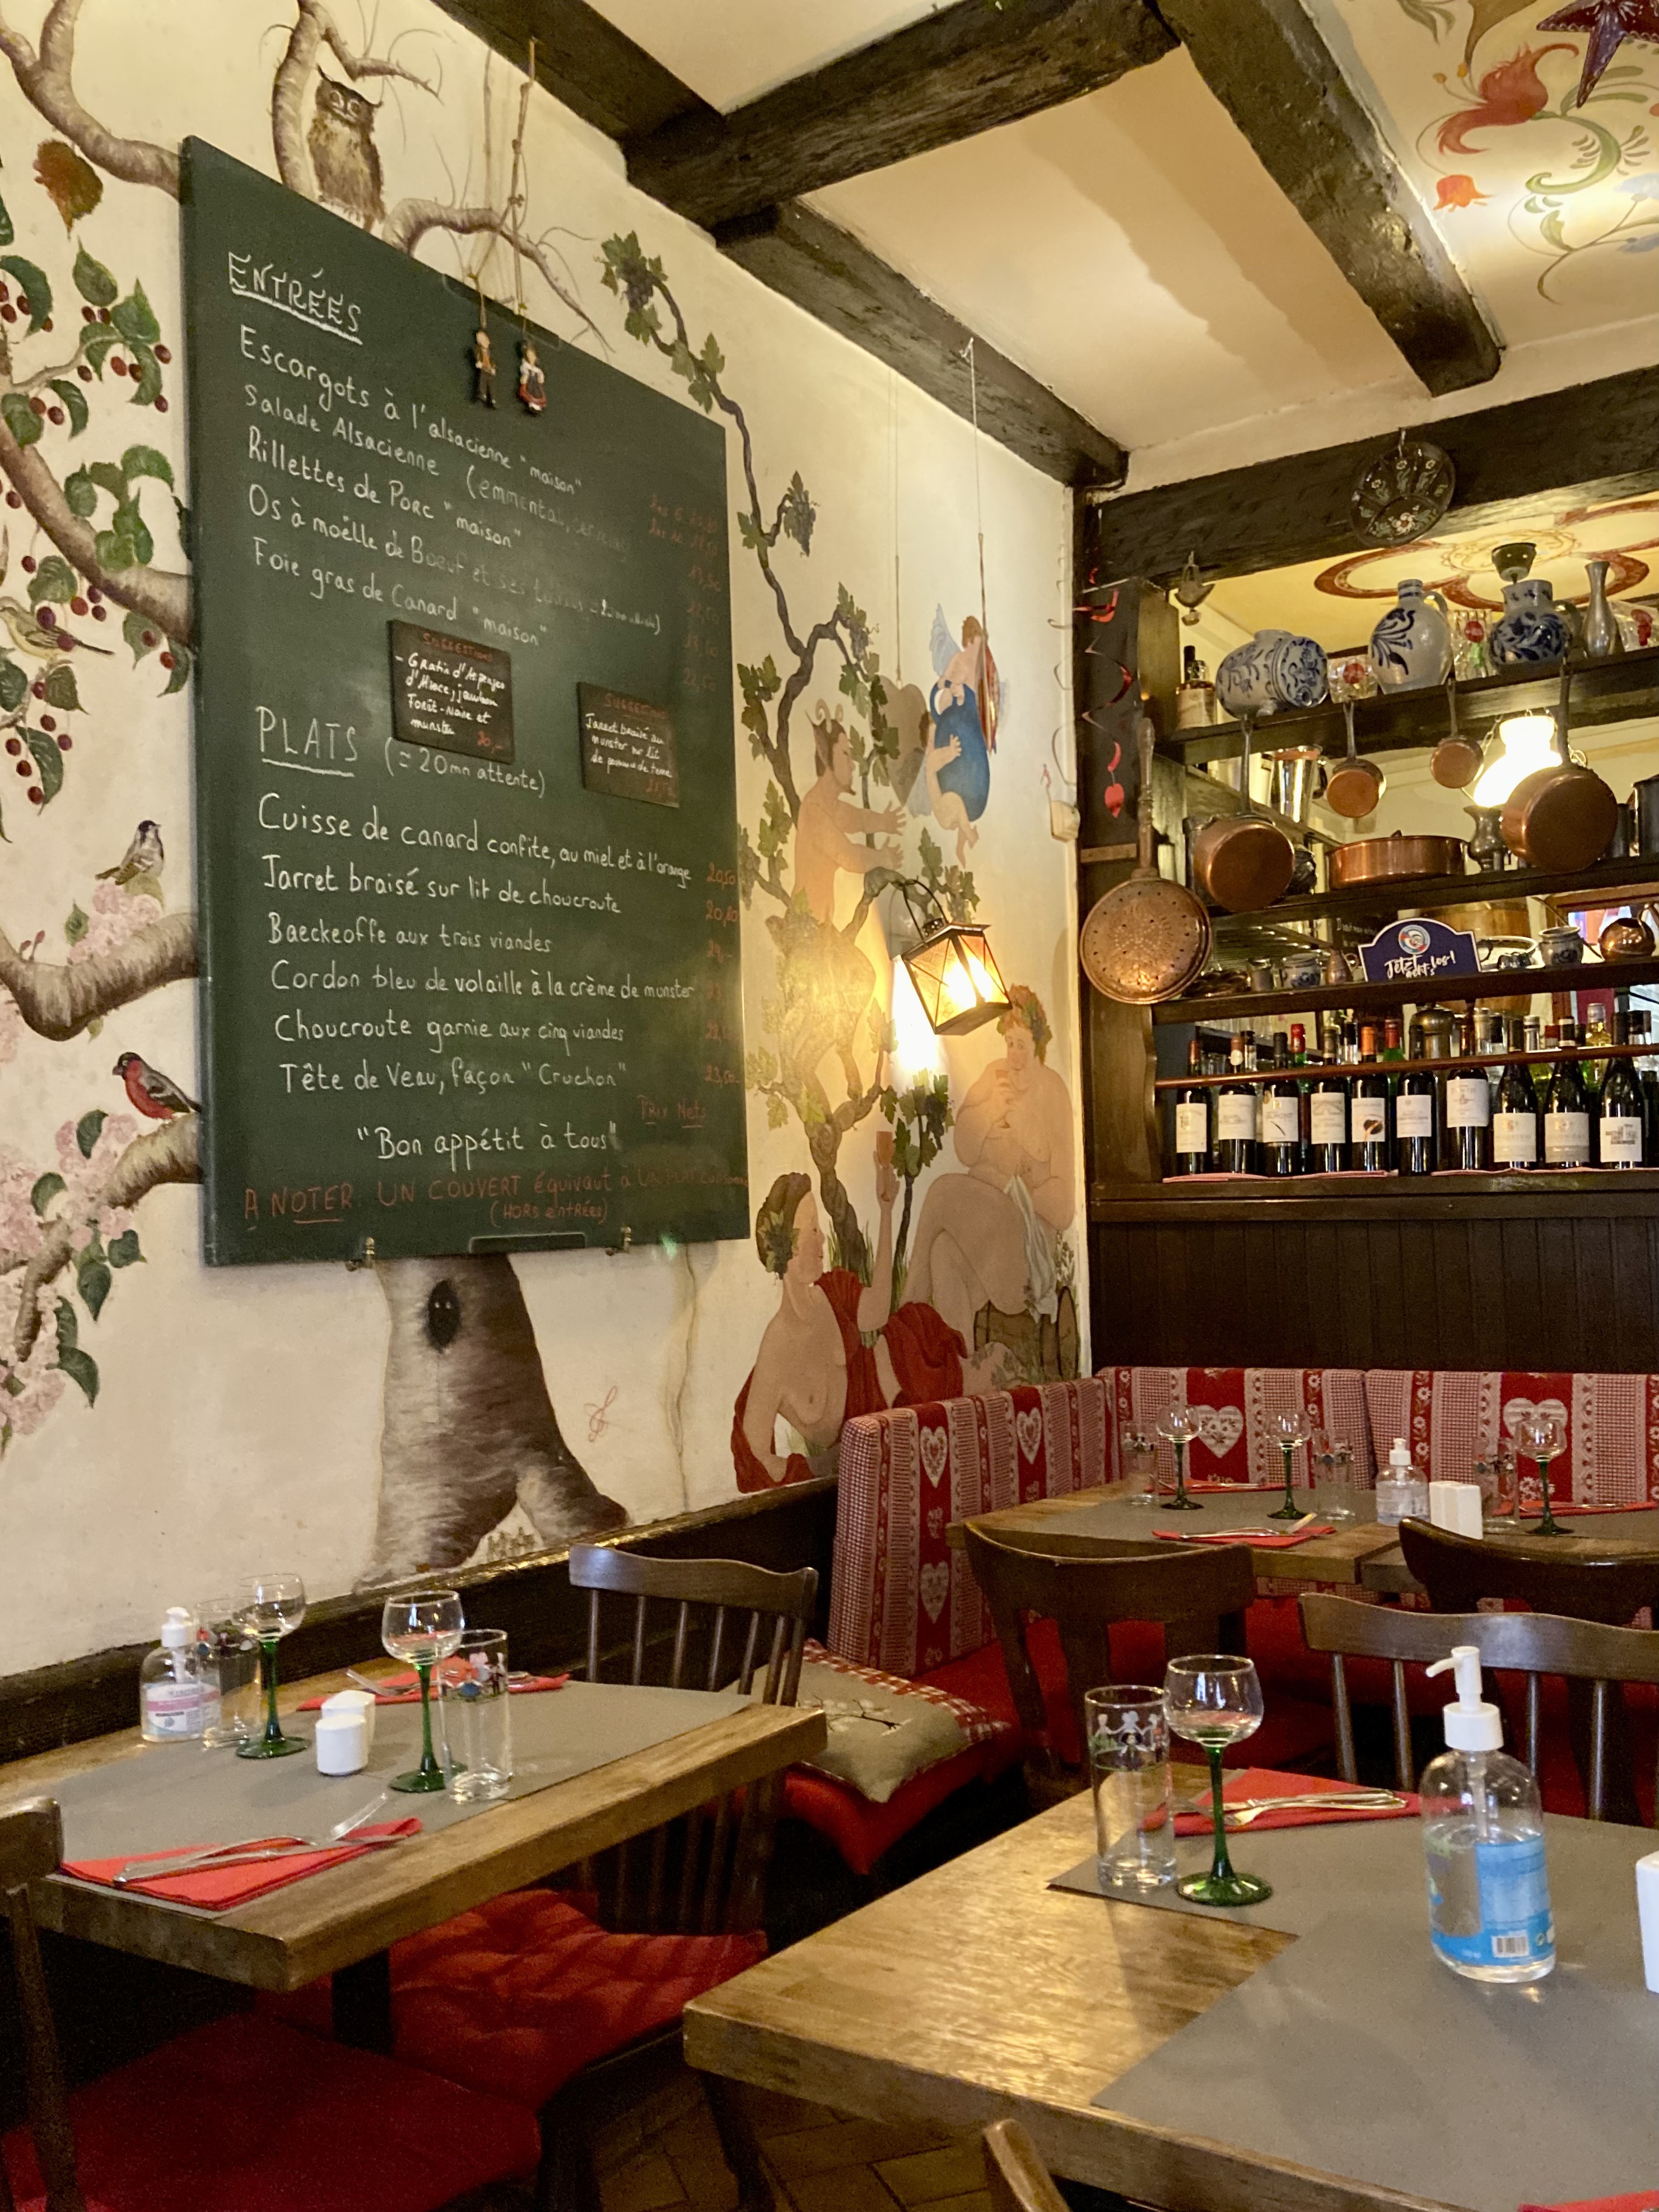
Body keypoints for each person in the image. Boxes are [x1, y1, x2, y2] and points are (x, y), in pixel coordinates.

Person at [733, 1147, 965, 1491]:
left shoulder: (833, 1291)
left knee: (983, 1374)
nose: (822, 1238)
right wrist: (821, 1467)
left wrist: (885, 1212)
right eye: (812, 1229)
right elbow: (756, 1458)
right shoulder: (775, 1348)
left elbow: (879, 1310)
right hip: (878, 1446)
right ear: (786, 1247)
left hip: (911, 1367)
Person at [902, 986, 1075, 1350]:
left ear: (1039, 1045)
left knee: (942, 1191)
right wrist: (990, 1111)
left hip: (1023, 1252)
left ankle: (904, 1322)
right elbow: (964, 1150)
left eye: (1022, 1046)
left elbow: (1063, 1208)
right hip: (986, 1246)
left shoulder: (1053, 1091)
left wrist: (1011, 1187)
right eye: (1009, 1044)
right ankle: (959, 1368)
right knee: (944, 1254)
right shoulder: (995, 1076)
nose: (1014, 1057)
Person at [794, 703, 904, 923]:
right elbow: (849, 856)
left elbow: (858, 819)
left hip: (820, 922)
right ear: (826, 756)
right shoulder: (814, 809)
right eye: (845, 754)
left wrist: (884, 822)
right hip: (804, 922)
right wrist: (882, 857)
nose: (853, 766)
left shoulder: (831, 806)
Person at [926, 616, 993, 867]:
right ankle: (966, 836)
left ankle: (961, 842)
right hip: (953, 720)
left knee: (962, 802)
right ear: (969, 640)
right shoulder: (960, 660)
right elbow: (944, 685)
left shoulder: (980, 666)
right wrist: (952, 689)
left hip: (967, 724)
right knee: (955, 792)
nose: (979, 647)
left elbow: (981, 700)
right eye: (977, 642)